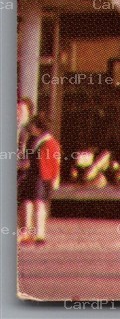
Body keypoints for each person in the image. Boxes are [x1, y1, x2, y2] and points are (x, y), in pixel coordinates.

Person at [20, 115, 59, 244]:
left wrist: (54, 178)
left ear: (39, 127)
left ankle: (39, 233)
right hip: (32, 175)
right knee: (28, 203)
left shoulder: (50, 142)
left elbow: (55, 162)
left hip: (42, 176)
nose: (31, 128)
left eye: (33, 125)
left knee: (38, 203)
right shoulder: (32, 140)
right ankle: (28, 232)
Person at [17, 97, 34, 244]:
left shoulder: (30, 130)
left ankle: (26, 231)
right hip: (16, 166)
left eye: (22, 110)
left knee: (25, 200)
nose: (18, 112)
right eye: (17, 109)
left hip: (26, 168)